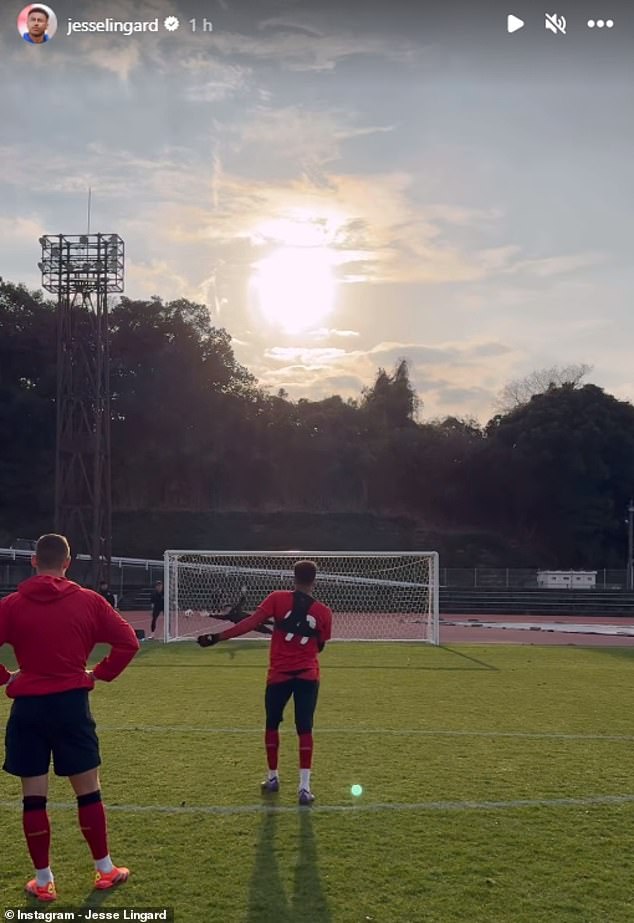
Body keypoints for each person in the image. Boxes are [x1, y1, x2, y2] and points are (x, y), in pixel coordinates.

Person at [0, 534, 140, 903]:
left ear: (33, 561)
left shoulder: (11, 605)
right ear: (68, 562)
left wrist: (6, 677)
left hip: (28, 708)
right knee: (88, 790)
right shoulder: (89, 601)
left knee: (34, 797)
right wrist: (100, 673)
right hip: (72, 705)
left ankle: (44, 880)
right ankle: (106, 869)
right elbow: (129, 642)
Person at [197, 560, 332, 805]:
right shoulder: (323, 612)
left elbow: (249, 623)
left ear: (294, 577)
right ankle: (304, 788)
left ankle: (273, 778)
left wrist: (217, 637)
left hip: (279, 674)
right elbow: (321, 645)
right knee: (305, 728)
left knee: (272, 724)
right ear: (314, 580)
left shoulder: (277, 598)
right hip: (307, 675)